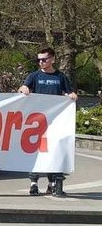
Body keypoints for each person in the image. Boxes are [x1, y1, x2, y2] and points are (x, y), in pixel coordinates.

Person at [18, 47, 78, 197]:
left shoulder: (60, 77)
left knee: (54, 151)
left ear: (52, 59)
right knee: (36, 152)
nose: (41, 62)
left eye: (44, 59)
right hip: (37, 122)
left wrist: (72, 95)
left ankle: (52, 184)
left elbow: (69, 92)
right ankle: (33, 183)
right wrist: (23, 88)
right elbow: (23, 88)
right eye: (38, 60)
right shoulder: (34, 76)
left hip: (55, 122)